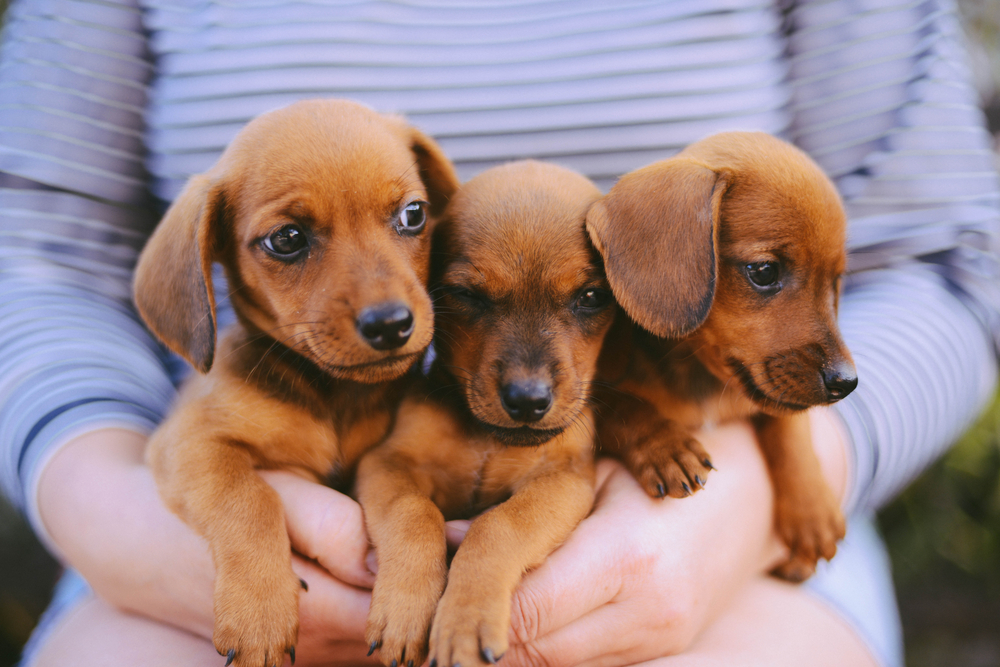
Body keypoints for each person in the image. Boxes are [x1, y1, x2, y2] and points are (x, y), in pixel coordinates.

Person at [1, 0, 997, 665]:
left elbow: (951, 254)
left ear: (430, 200)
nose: (390, 298)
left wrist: (754, 504)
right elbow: (35, 249)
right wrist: (104, 509)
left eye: (406, 223)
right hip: (170, 540)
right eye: (291, 239)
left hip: (725, 530)